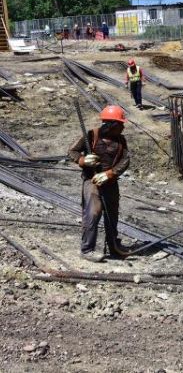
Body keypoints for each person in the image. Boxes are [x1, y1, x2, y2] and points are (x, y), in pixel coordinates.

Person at [68, 106, 130, 262]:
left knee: (112, 215)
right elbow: (72, 151)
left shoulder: (121, 141)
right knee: (93, 213)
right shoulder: (91, 135)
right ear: (111, 124)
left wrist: (110, 174)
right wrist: (82, 160)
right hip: (92, 180)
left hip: (110, 182)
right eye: (120, 124)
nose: (123, 127)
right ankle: (87, 249)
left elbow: (125, 161)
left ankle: (113, 246)